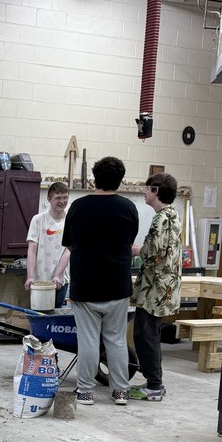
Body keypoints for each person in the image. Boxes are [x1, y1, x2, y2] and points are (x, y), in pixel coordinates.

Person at [51, 156, 138, 407]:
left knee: (88, 340)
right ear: (120, 181)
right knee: (116, 339)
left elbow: (69, 245)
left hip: (86, 286)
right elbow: (129, 242)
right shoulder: (128, 207)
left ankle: (86, 392)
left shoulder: (78, 207)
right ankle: (121, 392)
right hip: (117, 286)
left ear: (93, 178)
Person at [131, 173, 182, 401]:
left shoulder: (161, 218)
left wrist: (136, 250)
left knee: (145, 336)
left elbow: (154, 254)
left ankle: (154, 386)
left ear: (156, 191)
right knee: (149, 334)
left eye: (147, 188)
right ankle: (153, 382)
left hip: (155, 289)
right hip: (162, 287)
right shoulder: (172, 215)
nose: (144, 192)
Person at [25, 181, 70, 308]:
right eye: (58, 198)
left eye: (65, 197)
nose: (62, 201)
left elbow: (68, 250)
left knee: (57, 313)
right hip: (39, 279)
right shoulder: (38, 220)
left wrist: (58, 275)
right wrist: (30, 276)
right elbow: (32, 249)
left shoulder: (70, 220)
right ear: (49, 199)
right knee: (39, 312)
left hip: (61, 279)